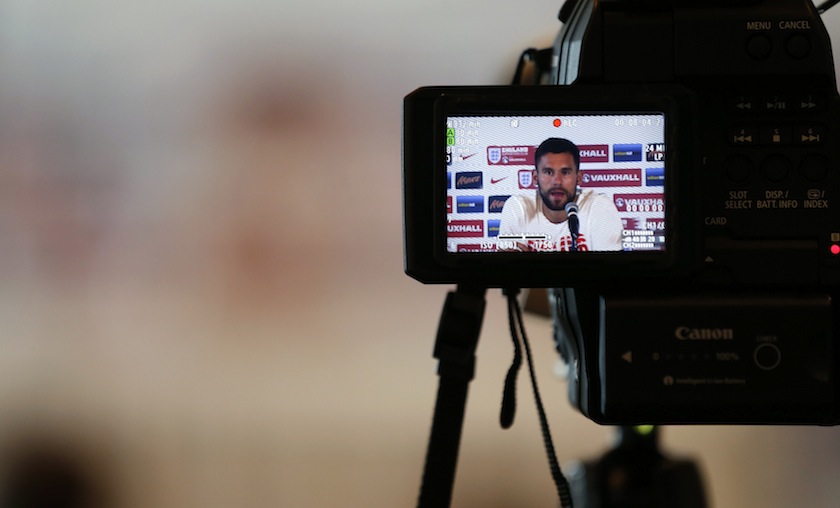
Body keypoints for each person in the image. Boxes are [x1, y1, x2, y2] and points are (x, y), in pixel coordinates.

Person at [498, 137, 623, 252]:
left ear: (578, 177)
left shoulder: (600, 207)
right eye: (548, 172)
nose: (557, 181)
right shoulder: (518, 208)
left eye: (565, 172)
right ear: (535, 178)